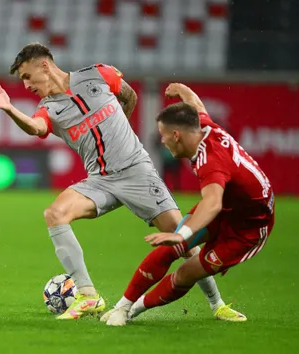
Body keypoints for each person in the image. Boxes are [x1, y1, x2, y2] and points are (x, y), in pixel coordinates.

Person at [0, 43, 238, 320]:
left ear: (44, 65)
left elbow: (129, 96)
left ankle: (218, 305)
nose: (26, 84)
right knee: (54, 214)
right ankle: (88, 295)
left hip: (137, 173)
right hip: (100, 181)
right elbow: (35, 128)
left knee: (183, 241)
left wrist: (120, 131)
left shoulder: (98, 74)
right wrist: (9, 108)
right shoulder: (48, 109)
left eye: (27, 76)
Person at [102, 83, 274, 326]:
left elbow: (212, 204)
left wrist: (182, 234)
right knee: (167, 250)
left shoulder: (211, 162)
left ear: (176, 136)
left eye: (163, 134)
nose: (161, 140)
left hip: (248, 228)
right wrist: (182, 90)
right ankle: (121, 307)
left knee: (186, 273)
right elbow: (197, 106)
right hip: (228, 206)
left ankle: (133, 311)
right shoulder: (202, 127)